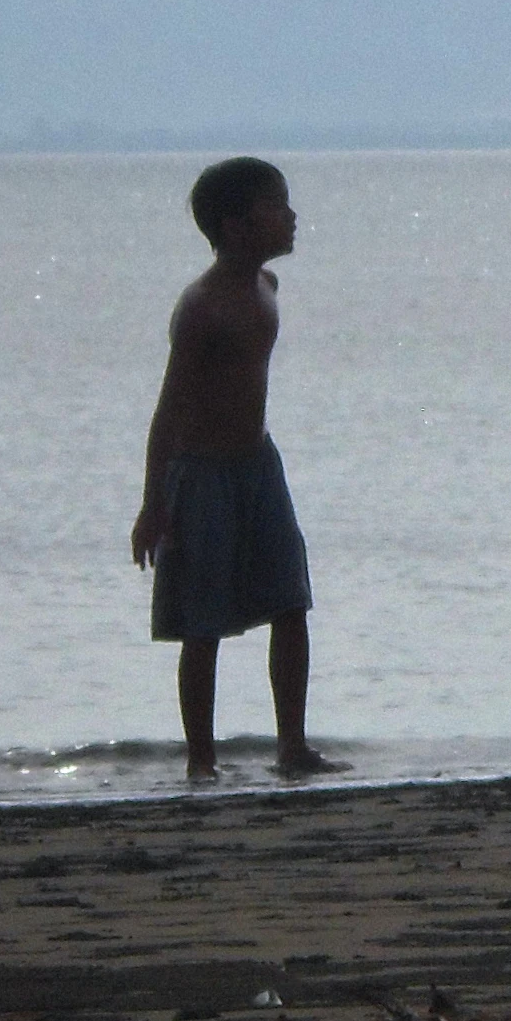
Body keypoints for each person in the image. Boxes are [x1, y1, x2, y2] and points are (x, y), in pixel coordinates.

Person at [132, 156, 337, 779]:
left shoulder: (267, 288)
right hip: (201, 473)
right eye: (277, 206)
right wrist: (153, 501)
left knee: (291, 602)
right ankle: (201, 760)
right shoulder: (202, 308)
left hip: (258, 464)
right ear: (237, 224)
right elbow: (169, 408)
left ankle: (292, 747)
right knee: (203, 621)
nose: (292, 217)